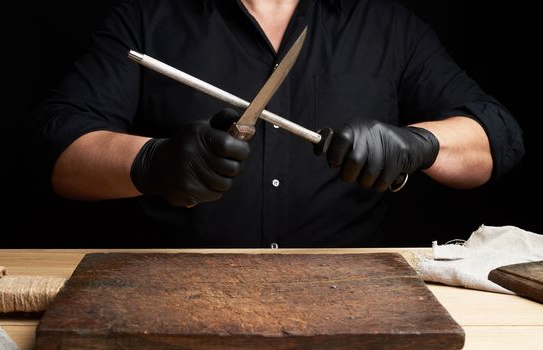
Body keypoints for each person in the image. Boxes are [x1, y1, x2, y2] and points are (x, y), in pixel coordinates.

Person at [30, 0, 524, 248]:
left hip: (353, 306)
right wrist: (150, 163)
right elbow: (58, 151)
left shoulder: (386, 23)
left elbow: (497, 138)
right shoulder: (147, 17)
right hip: (175, 296)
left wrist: (420, 145)